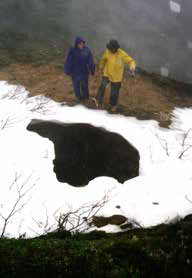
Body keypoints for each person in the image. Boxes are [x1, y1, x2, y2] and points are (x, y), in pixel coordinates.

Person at [95, 39, 136, 112]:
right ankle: (98, 100)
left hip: (116, 77)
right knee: (102, 86)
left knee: (114, 92)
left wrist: (132, 68)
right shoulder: (107, 52)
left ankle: (113, 105)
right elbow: (103, 60)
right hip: (107, 73)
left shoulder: (121, 54)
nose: (111, 50)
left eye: (112, 49)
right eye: (110, 48)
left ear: (116, 48)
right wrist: (101, 67)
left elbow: (131, 61)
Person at [64, 36, 95, 104]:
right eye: (80, 43)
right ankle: (78, 98)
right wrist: (67, 70)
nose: (81, 45)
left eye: (82, 43)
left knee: (85, 85)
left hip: (84, 72)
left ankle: (85, 98)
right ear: (77, 43)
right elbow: (69, 61)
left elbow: (90, 61)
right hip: (75, 72)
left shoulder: (87, 50)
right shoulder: (72, 51)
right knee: (76, 86)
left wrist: (92, 69)